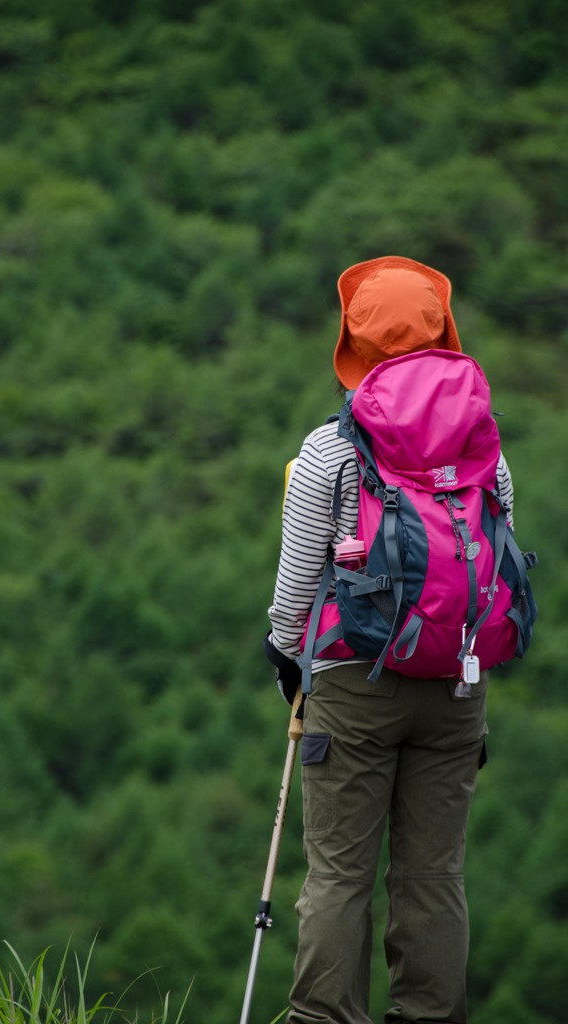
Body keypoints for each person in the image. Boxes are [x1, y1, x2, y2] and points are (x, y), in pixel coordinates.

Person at [264, 255, 514, 1024]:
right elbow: (500, 559)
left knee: (339, 875)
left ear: (354, 344)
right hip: (456, 684)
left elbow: (294, 593)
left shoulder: (329, 451)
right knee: (433, 875)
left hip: (353, 680)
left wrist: (287, 661)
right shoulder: (482, 448)